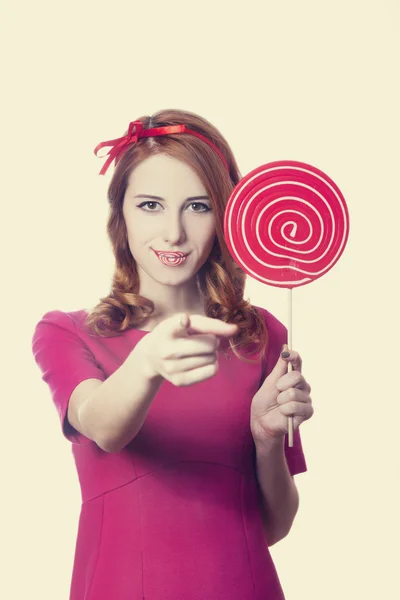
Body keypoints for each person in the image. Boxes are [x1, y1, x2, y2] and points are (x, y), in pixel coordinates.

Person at [31, 109, 314, 600]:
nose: (174, 234)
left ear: (225, 214)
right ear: (120, 214)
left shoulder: (261, 335)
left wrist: (267, 441)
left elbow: (274, 526)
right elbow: (102, 425)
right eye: (150, 205)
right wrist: (146, 364)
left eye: (198, 206)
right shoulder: (68, 332)